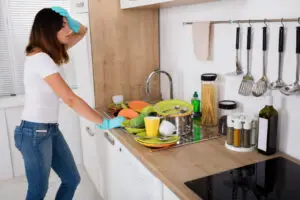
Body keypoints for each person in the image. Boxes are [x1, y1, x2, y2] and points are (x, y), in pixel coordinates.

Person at [13, 7, 125, 200]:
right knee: (38, 190)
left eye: (66, 25)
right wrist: (103, 122)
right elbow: (70, 99)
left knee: (71, 179)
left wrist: (68, 18)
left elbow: (82, 31)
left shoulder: (46, 54)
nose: (68, 31)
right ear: (49, 30)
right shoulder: (40, 59)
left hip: (49, 131)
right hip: (33, 134)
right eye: (62, 27)